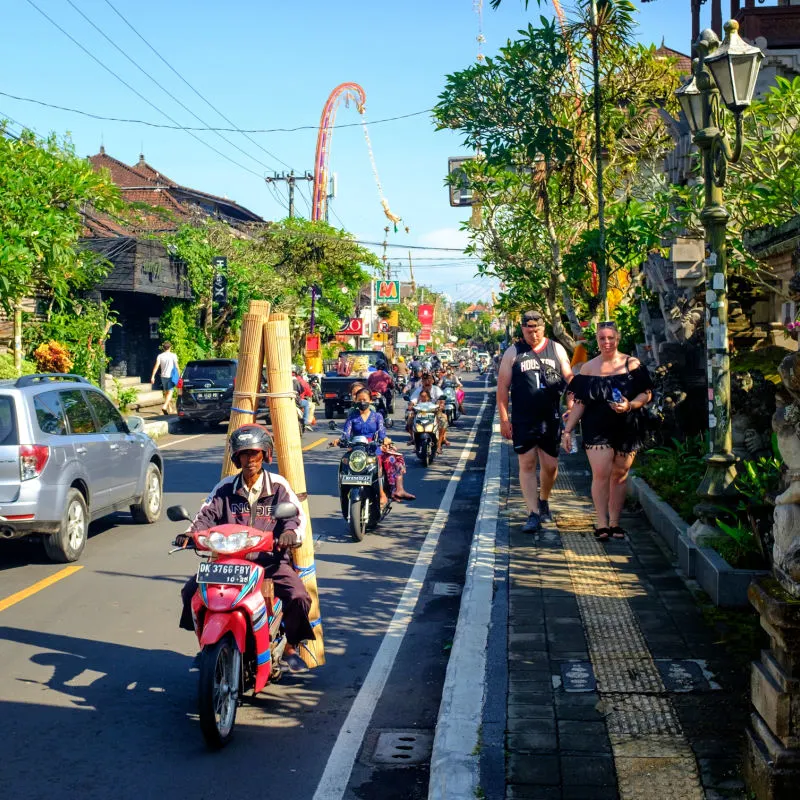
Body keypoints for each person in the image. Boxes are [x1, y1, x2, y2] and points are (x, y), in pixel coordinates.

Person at [177, 424, 314, 673]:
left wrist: (289, 534)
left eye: (255, 453)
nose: (250, 460)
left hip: (269, 562)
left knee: (298, 596)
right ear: (236, 457)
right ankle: (207, 647)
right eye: (244, 454)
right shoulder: (225, 488)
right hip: (227, 564)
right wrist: (190, 535)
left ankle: (292, 645)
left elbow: (295, 516)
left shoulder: (278, 486)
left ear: (265, 454)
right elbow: (205, 515)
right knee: (189, 592)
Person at [562, 321, 654, 541]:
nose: (606, 342)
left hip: (628, 425)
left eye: (610, 338)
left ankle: (615, 522)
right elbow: (580, 402)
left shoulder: (631, 364)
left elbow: (647, 393)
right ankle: (601, 523)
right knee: (601, 473)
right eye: (602, 338)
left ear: (618, 338)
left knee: (620, 475)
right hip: (596, 427)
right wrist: (567, 431)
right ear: (597, 340)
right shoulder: (588, 368)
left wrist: (630, 405)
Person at [497, 310, 574, 533]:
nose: (534, 333)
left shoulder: (555, 348)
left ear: (544, 328)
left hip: (550, 417)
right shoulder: (513, 352)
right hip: (523, 418)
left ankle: (544, 499)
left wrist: (572, 403)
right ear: (522, 329)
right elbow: (503, 387)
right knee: (527, 464)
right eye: (529, 329)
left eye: (537, 329)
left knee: (550, 466)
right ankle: (532, 513)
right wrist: (504, 419)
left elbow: (568, 377)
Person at [341, 388, 415, 502]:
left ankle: (390, 491)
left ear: (370, 400)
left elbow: (382, 433)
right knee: (345, 464)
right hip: (356, 447)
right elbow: (346, 433)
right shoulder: (352, 417)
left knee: (391, 459)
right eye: (359, 400)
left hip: (374, 446)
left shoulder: (377, 416)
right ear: (355, 401)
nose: (362, 402)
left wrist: (385, 440)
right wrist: (340, 440)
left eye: (365, 399)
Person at [150, 341, 179, 415]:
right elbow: (176, 366)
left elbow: (156, 366)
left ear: (163, 348)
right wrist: (179, 375)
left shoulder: (160, 356)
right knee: (170, 392)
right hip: (171, 376)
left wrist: (153, 376)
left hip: (163, 376)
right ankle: (165, 406)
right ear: (170, 347)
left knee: (166, 392)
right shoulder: (173, 355)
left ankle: (170, 408)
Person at [292, 366, 314, 432]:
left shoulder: (284, 380)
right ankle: (306, 421)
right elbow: (305, 391)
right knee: (308, 404)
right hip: (297, 401)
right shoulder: (299, 381)